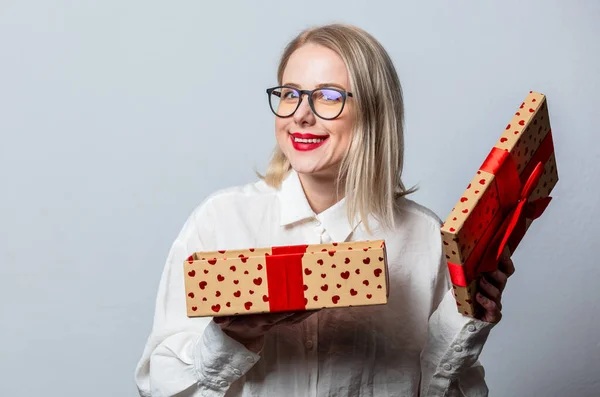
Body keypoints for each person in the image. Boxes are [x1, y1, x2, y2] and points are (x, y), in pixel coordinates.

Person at [134, 23, 515, 397]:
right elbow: (159, 386)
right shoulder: (220, 222)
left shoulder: (426, 237)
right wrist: (234, 336)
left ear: (373, 112)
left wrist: (467, 322)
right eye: (289, 94)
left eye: (328, 96)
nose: (301, 114)